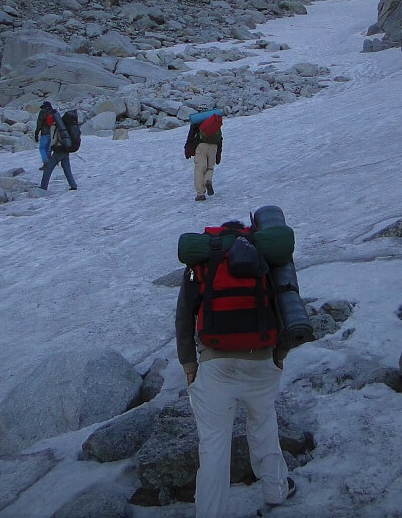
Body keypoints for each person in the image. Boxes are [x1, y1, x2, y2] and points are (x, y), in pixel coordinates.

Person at [175, 220, 295, 517]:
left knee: (214, 445)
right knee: (264, 426)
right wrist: (279, 353)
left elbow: (184, 317)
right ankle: (276, 489)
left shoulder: (204, 260)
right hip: (262, 360)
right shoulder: (262, 255)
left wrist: (190, 363)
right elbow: (284, 305)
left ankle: (210, 513)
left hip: (216, 365)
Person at [39, 104, 77, 192]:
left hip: (59, 150)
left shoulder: (54, 126)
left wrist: (49, 151)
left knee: (48, 169)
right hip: (65, 148)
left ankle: (43, 187)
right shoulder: (61, 125)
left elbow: (53, 140)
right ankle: (73, 185)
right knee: (66, 168)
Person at [184, 116, 222, 201]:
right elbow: (220, 137)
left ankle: (200, 194)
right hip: (214, 146)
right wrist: (219, 153)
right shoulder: (214, 120)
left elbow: (191, 135)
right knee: (210, 168)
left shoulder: (197, 120)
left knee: (200, 169)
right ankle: (208, 181)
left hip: (201, 146)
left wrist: (187, 149)